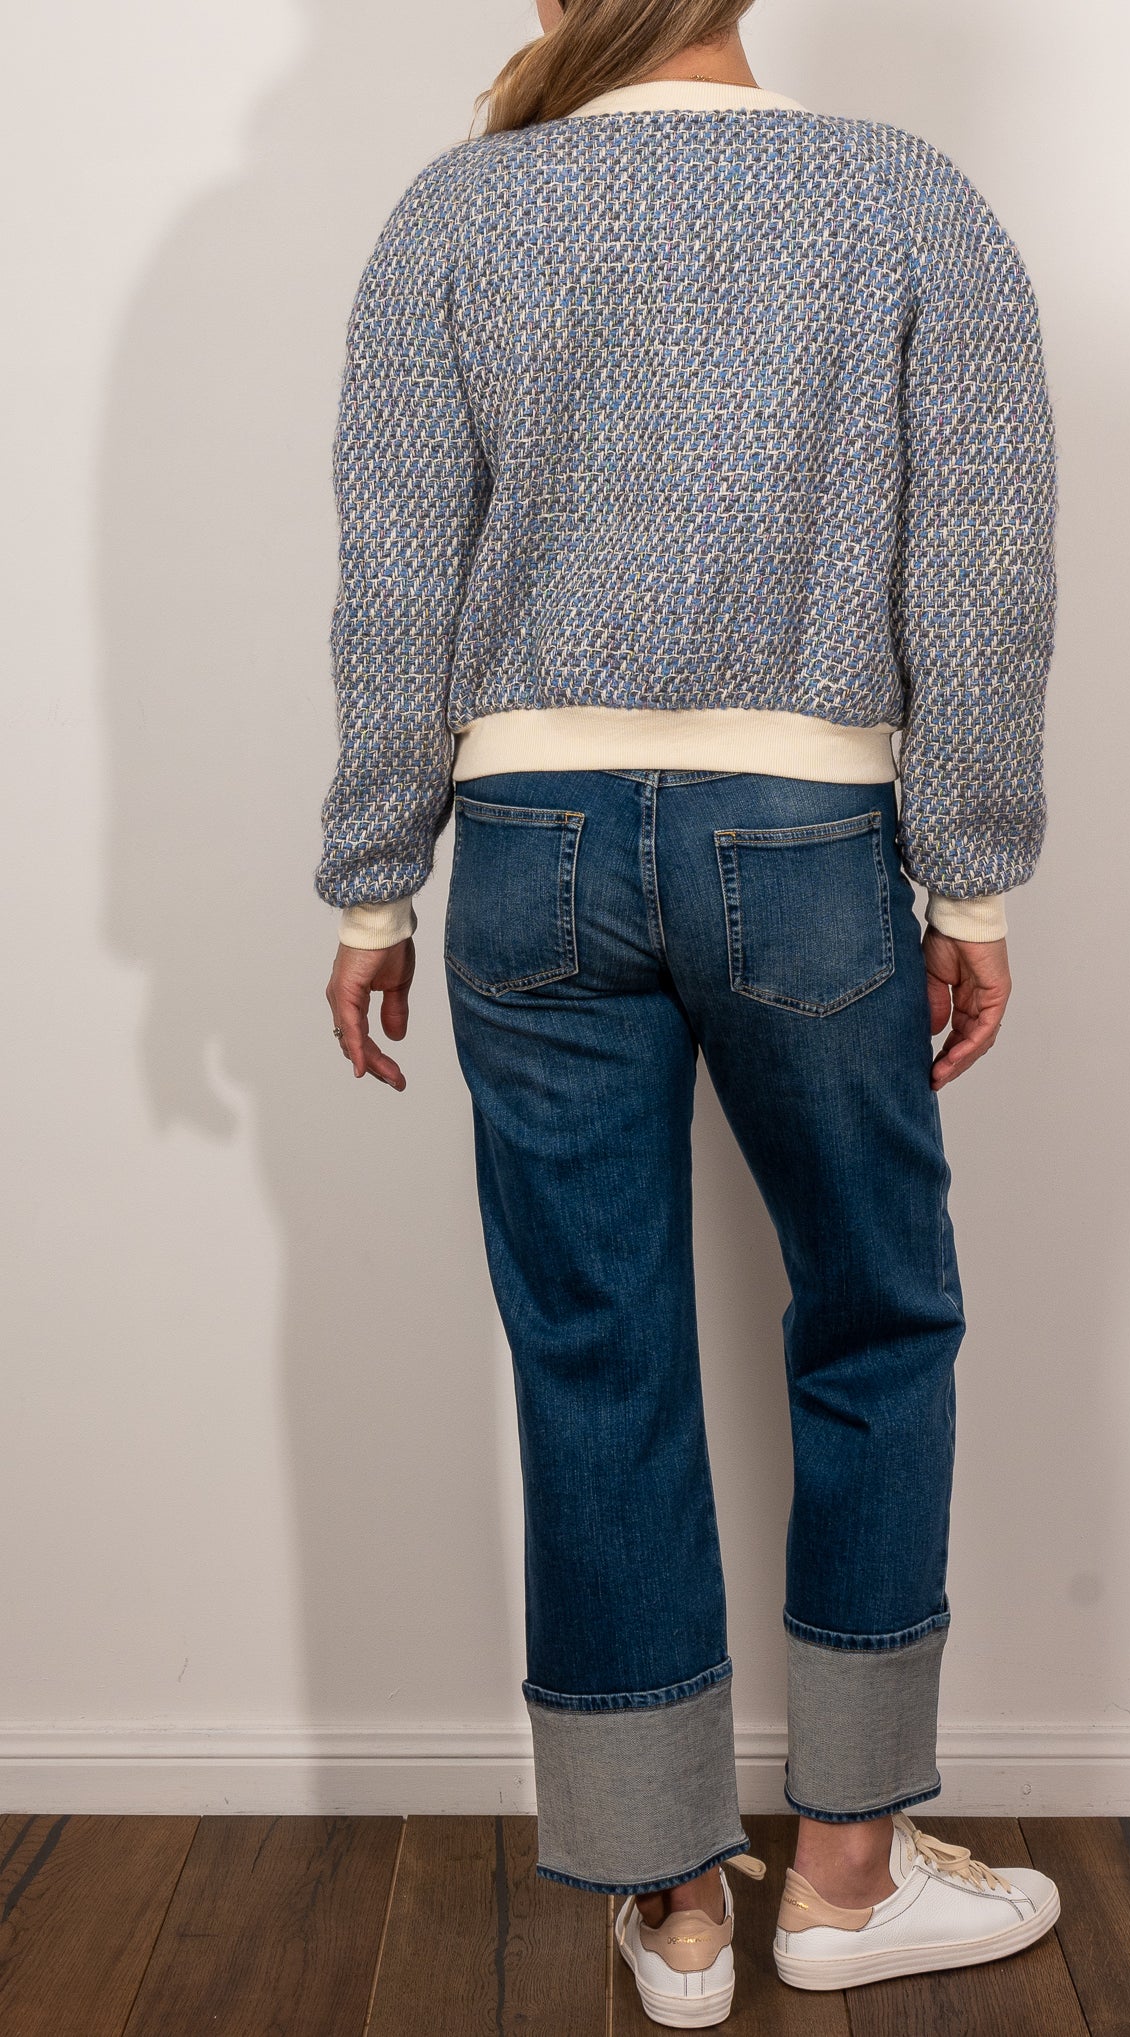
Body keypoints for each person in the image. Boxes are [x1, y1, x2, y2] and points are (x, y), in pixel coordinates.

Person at [317, 0, 1061, 2023]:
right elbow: (978, 565)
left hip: (528, 839)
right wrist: (970, 875)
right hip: (807, 838)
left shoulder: (458, 213)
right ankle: (842, 1876)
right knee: (874, 1315)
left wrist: (375, 879)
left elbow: (396, 575)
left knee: (596, 1349)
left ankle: (672, 1906)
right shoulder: (906, 201)